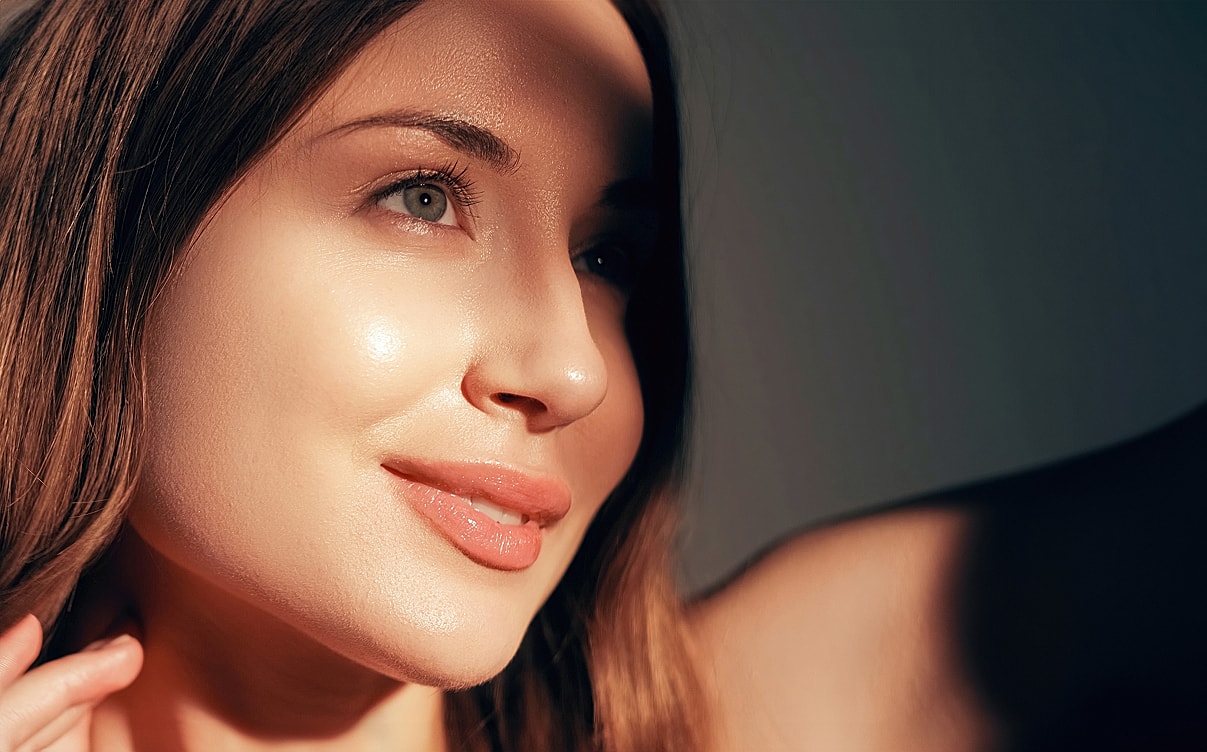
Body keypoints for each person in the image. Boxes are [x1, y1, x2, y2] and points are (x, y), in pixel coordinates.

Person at [3, 1, 1202, 751]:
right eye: (422, 197)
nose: (573, 365)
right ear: (105, 231)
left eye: (606, 256)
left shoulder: (759, 720)